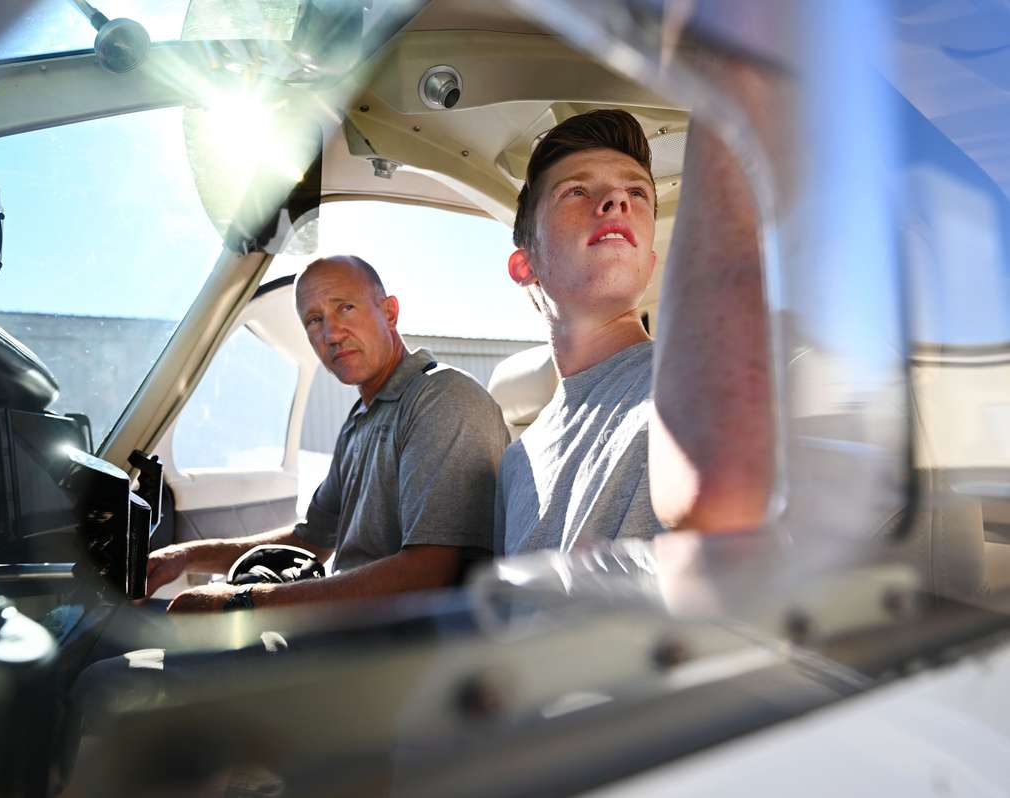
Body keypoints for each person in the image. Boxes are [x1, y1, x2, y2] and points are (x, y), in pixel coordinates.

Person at [148, 255, 509, 612]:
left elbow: (430, 573)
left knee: (128, 665)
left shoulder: (442, 397)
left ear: (390, 313)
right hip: (347, 630)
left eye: (346, 308)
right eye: (314, 320)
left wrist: (245, 602)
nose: (331, 334)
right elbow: (310, 540)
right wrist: (185, 556)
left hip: (404, 648)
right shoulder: (360, 420)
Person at [497, 99, 773, 554]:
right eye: (577, 192)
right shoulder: (515, 463)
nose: (617, 200)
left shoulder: (702, 378)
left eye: (637, 193)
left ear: (649, 263)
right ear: (525, 265)